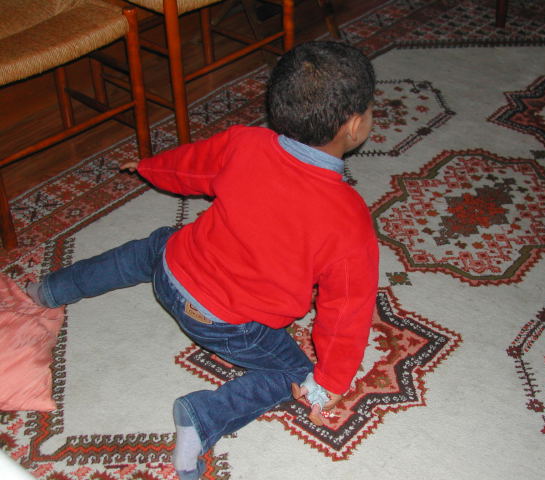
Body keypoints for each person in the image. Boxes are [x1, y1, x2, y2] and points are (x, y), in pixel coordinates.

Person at [27, 41, 378, 480]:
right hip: (226, 324)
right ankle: (204, 416)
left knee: (150, 247)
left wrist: (149, 166)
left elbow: (189, 167)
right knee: (294, 371)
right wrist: (330, 381)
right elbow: (347, 311)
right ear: (354, 125)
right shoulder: (349, 220)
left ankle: (49, 289)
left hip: (171, 269)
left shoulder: (245, 142)